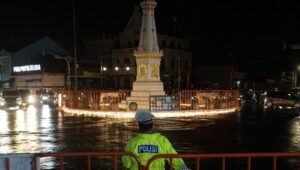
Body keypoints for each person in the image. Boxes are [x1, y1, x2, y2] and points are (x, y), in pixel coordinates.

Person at [122, 109, 189, 170]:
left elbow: (127, 164)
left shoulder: (132, 142)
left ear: (139, 125)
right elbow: (175, 159)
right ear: (152, 125)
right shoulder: (162, 140)